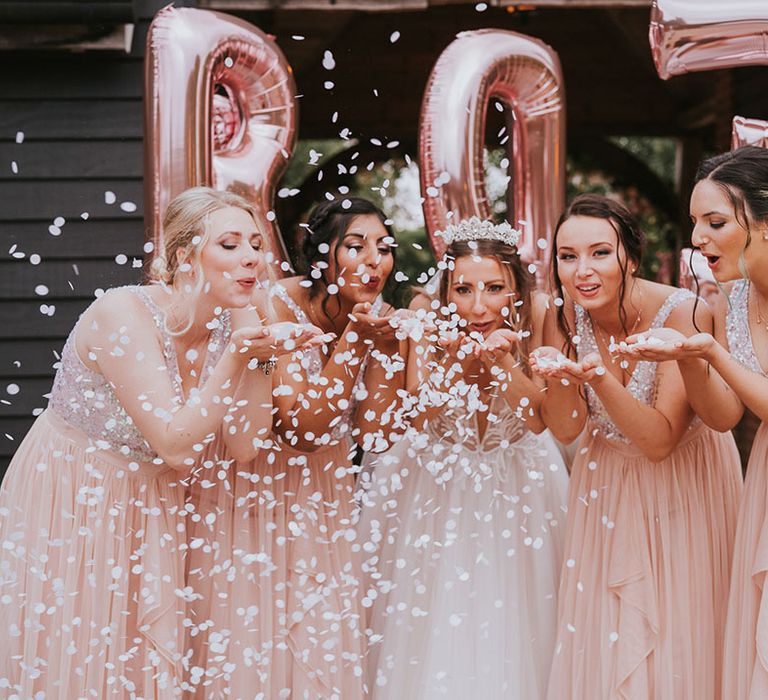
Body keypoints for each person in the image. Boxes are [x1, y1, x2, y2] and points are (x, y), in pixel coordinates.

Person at [0, 187, 320, 697]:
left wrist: (261, 354)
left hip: (154, 501)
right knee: (86, 655)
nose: (251, 260)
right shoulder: (121, 315)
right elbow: (174, 445)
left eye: (256, 245)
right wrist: (238, 357)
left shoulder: (235, 318)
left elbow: (244, 443)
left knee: (142, 663)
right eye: (231, 245)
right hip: (79, 494)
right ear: (184, 256)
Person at [184, 196, 398, 699]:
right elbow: (301, 429)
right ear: (322, 255)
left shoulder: (378, 317)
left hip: (324, 499)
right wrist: (354, 342)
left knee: (316, 640)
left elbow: (374, 435)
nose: (374, 260)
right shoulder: (270, 304)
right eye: (356, 245)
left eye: (384, 248)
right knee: (252, 640)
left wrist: (386, 349)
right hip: (256, 491)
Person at [533, 193, 742, 700]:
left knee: (677, 636)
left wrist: (597, 378)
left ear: (629, 255)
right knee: (607, 633)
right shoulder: (563, 317)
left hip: (684, 488)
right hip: (604, 486)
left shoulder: (682, 313)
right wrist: (555, 373)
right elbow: (563, 428)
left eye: (599, 253)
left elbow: (659, 440)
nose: (582, 270)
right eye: (567, 256)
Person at [358, 217, 568, 699]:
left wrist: (499, 361)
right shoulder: (424, 313)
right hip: (438, 483)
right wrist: (458, 359)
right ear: (446, 288)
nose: (478, 307)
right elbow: (418, 413)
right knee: (433, 613)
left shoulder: (537, 312)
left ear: (516, 287)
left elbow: (538, 419)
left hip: (521, 480)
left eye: (494, 289)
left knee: (520, 612)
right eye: (464, 289)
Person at [618, 146, 768, 699]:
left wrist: (710, 355)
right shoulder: (729, 299)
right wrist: (685, 355)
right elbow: (725, 413)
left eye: (716, 222)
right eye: (694, 224)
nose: (699, 238)